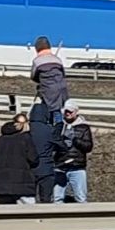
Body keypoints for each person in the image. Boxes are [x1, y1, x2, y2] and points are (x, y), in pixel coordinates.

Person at [0, 113, 46, 230]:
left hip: (2, 183)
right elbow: (34, 159)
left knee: (6, 217)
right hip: (22, 182)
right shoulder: (25, 138)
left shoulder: (1, 140)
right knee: (31, 214)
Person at [30, 36, 68, 202]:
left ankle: (50, 127)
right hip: (61, 89)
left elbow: (33, 76)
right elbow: (63, 74)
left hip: (47, 90)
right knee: (58, 110)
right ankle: (58, 129)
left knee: (47, 109)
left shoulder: (38, 61)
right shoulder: (57, 59)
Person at [53, 99, 94, 202]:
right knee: (57, 198)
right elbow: (52, 144)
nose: (68, 113)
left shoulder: (84, 127)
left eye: (70, 111)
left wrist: (75, 140)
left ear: (76, 112)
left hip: (77, 167)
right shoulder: (59, 126)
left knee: (81, 197)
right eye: (66, 111)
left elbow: (88, 147)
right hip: (60, 166)